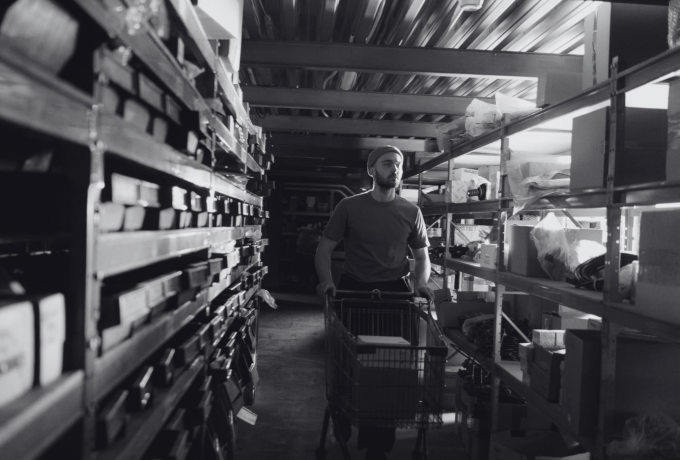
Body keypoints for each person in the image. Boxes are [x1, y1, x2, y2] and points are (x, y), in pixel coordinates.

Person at [314, 145, 434, 460]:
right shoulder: (349, 207)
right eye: (387, 163)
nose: (394, 169)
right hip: (354, 291)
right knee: (348, 362)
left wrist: (420, 284)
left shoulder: (411, 212)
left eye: (398, 164)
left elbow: (422, 256)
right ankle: (343, 410)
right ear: (372, 170)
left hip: (395, 293)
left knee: (388, 369)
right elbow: (324, 248)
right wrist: (327, 281)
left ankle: (377, 445)